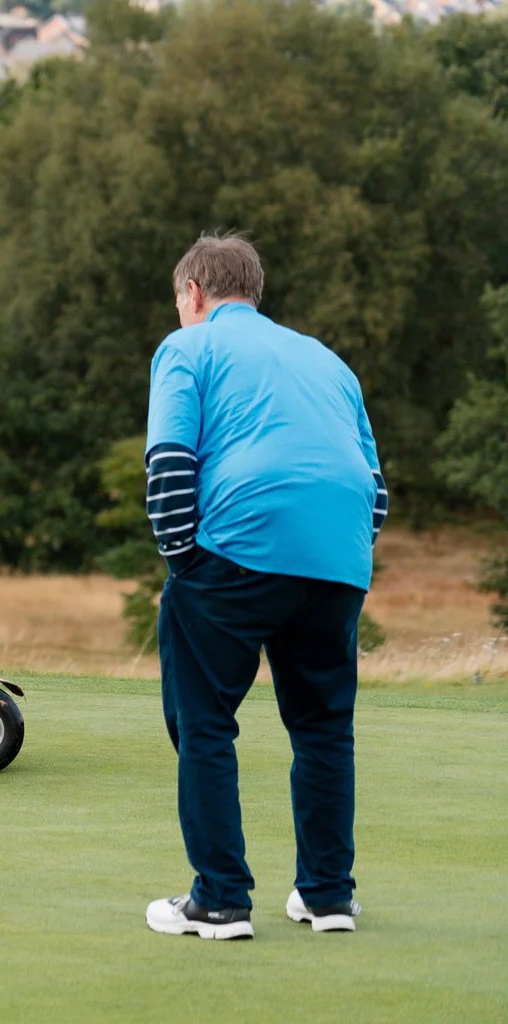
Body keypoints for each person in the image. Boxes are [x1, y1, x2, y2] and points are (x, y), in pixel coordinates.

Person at [142, 234, 386, 941]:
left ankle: (219, 900)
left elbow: (168, 468)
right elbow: (375, 490)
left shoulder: (186, 349)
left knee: (204, 723)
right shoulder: (328, 360)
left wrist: (184, 564)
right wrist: (339, 558)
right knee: (323, 727)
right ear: (253, 291)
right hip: (337, 561)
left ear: (193, 294)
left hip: (234, 552)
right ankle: (327, 897)